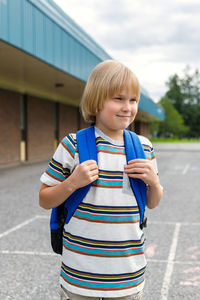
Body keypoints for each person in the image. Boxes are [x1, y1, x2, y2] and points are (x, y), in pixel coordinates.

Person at [39, 60, 163, 300]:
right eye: (118, 98)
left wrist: (154, 184)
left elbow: (153, 202)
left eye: (133, 100)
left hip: (127, 278)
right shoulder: (73, 144)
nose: (127, 107)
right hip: (79, 279)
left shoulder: (144, 148)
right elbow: (44, 200)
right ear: (95, 102)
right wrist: (72, 182)